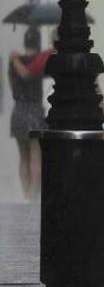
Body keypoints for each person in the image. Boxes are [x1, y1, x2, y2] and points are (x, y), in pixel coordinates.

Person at [8, 27, 52, 201]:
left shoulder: (14, 60)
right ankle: (33, 197)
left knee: (23, 156)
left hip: (18, 110)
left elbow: (12, 86)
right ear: (38, 43)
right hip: (34, 110)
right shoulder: (41, 59)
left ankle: (25, 195)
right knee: (36, 155)